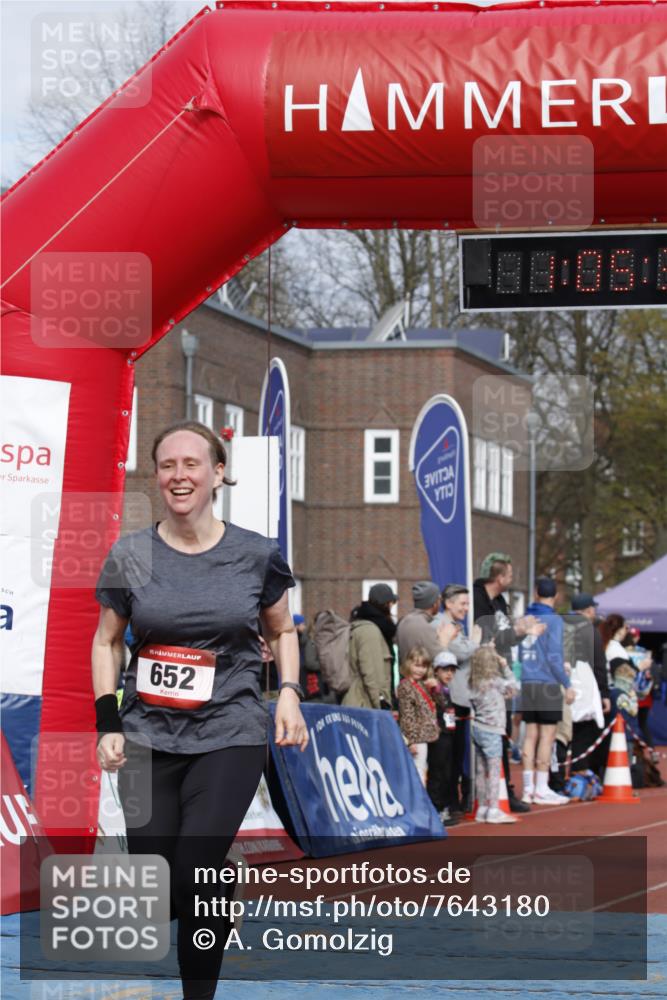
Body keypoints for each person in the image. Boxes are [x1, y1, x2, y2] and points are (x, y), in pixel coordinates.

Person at [92, 420, 307, 1000]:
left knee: (197, 870)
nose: (179, 475)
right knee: (161, 885)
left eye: (192, 464)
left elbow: (283, 630)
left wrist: (287, 691)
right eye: (167, 465)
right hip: (146, 733)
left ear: (217, 474)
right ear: (157, 476)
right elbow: (107, 641)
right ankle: (219, 884)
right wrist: (107, 721)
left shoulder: (256, 554)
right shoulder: (131, 553)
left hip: (229, 729)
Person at [473, 553, 542, 813]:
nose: (513, 579)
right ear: (499, 577)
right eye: (510, 575)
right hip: (484, 677)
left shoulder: (501, 601)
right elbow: (487, 640)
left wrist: (519, 631)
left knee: (504, 735)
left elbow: (506, 638)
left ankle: (504, 790)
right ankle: (488, 794)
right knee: (489, 736)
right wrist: (519, 631)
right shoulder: (478, 600)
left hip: (503, 674)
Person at [519, 578, 575, 805]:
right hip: (547, 682)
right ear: (556, 596)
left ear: (535, 593)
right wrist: (567, 684)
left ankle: (527, 788)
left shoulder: (526, 617)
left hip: (527, 680)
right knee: (547, 736)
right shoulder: (554, 620)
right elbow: (554, 656)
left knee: (530, 735)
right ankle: (541, 788)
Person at [438, 583, 481, 814]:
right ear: (449, 603)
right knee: (449, 754)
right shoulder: (443, 625)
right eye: (463, 603)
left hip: (462, 698)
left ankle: (454, 799)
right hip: (451, 699)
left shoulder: (457, 626)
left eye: (467, 603)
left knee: (457, 753)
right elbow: (460, 652)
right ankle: (449, 801)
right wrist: (474, 641)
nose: (466, 608)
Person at [468, 645, 519, 824]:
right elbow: (514, 687)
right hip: (492, 729)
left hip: (477, 727)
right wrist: (505, 666)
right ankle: (494, 809)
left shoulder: (473, 682)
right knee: (494, 770)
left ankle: (482, 807)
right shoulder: (495, 681)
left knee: (481, 770)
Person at [565, 593, 612, 777]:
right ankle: (580, 776)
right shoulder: (589, 630)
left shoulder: (559, 626)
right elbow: (598, 663)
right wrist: (604, 693)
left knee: (559, 737)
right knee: (584, 733)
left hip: (561, 685)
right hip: (584, 688)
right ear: (589, 610)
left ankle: (554, 781)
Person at [342, 583, 397, 709]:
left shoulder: (367, 625)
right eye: (391, 603)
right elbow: (372, 674)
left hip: (363, 701)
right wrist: (381, 704)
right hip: (365, 705)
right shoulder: (369, 631)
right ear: (386, 604)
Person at [396, 646, 440, 786]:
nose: (420, 670)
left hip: (424, 735)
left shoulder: (420, 684)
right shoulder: (406, 686)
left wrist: (434, 689)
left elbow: (435, 705)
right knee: (418, 770)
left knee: (421, 769)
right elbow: (407, 715)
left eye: (424, 666)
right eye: (417, 665)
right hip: (417, 737)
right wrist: (411, 740)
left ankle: (420, 803)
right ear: (408, 664)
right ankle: (420, 804)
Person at [429, 650, 460, 826]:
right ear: (436, 670)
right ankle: (435, 809)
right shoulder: (434, 688)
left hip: (447, 735)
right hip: (438, 736)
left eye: (452, 670)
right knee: (437, 772)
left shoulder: (447, 690)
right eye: (445, 669)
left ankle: (443, 808)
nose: (449, 673)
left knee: (447, 772)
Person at [396, 581, 458, 664]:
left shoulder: (405, 620)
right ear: (434, 603)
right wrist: (445, 639)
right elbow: (441, 659)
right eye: (439, 599)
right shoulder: (422, 625)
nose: (440, 602)